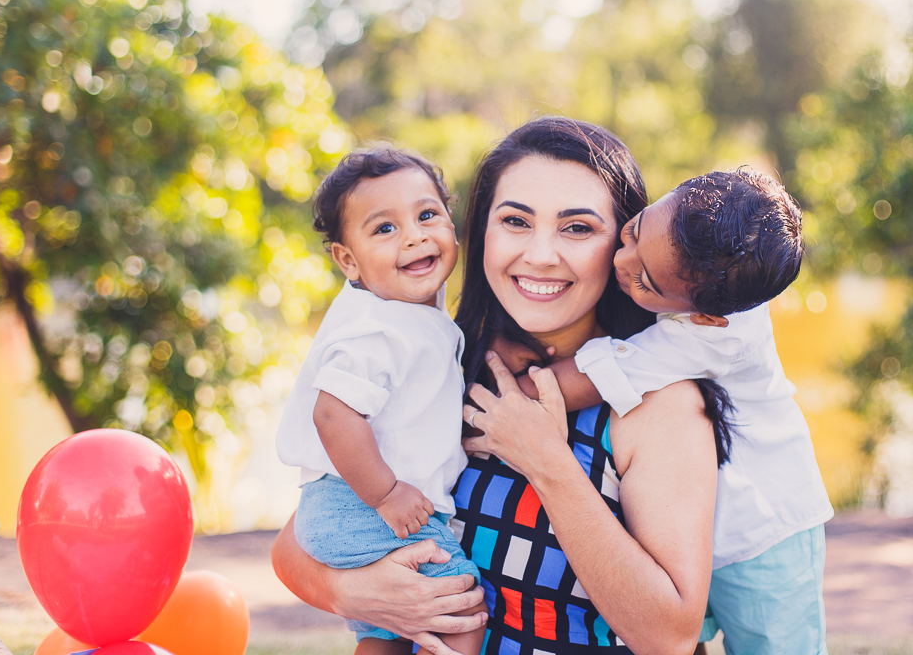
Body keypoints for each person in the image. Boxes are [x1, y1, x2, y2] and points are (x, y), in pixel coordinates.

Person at [272, 117, 724, 655]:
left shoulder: (656, 404)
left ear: (625, 244)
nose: (539, 254)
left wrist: (548, 462)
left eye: (577, 228)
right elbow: (297, 545)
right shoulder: (449, 361)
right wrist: (359, 594)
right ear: (480, 229)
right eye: (515, 221)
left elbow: (668, 636)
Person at [514, 168, 833, 655]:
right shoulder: (703, 262)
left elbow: (588, 381)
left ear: (705, 314)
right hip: (690, 521)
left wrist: (497, 389)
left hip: (765, 530)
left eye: (643, 280)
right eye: (632, 232)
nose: (621, 261)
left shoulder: (717, 334)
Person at [275, 147, 485, 655]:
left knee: (386, 631)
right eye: (384, 229)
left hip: (355, 503)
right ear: (348, 259)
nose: (413, 235)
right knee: (460, 610)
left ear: (451, 228)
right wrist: (386, 494)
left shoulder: (410, 315)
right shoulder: (378, 326)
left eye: (427, 215)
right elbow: (333, 412)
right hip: (362, 502)